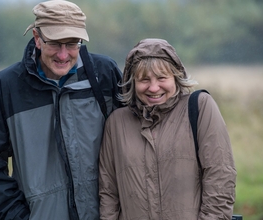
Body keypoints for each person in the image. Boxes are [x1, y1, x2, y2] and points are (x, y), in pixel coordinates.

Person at [0, 1, 122, 219]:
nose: (63, 55)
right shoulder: (6, 86)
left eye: (71, 44)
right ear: (37, 38)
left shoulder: (104, 74)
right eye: (54, 43)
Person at [99, 38, 237, 219]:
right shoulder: (116, 122)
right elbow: (108, 192)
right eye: (144, 79)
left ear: (176, 76)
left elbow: (220, 177)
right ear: (132, 82)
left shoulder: (200, 107)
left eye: (162, 78)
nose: (154, 87)